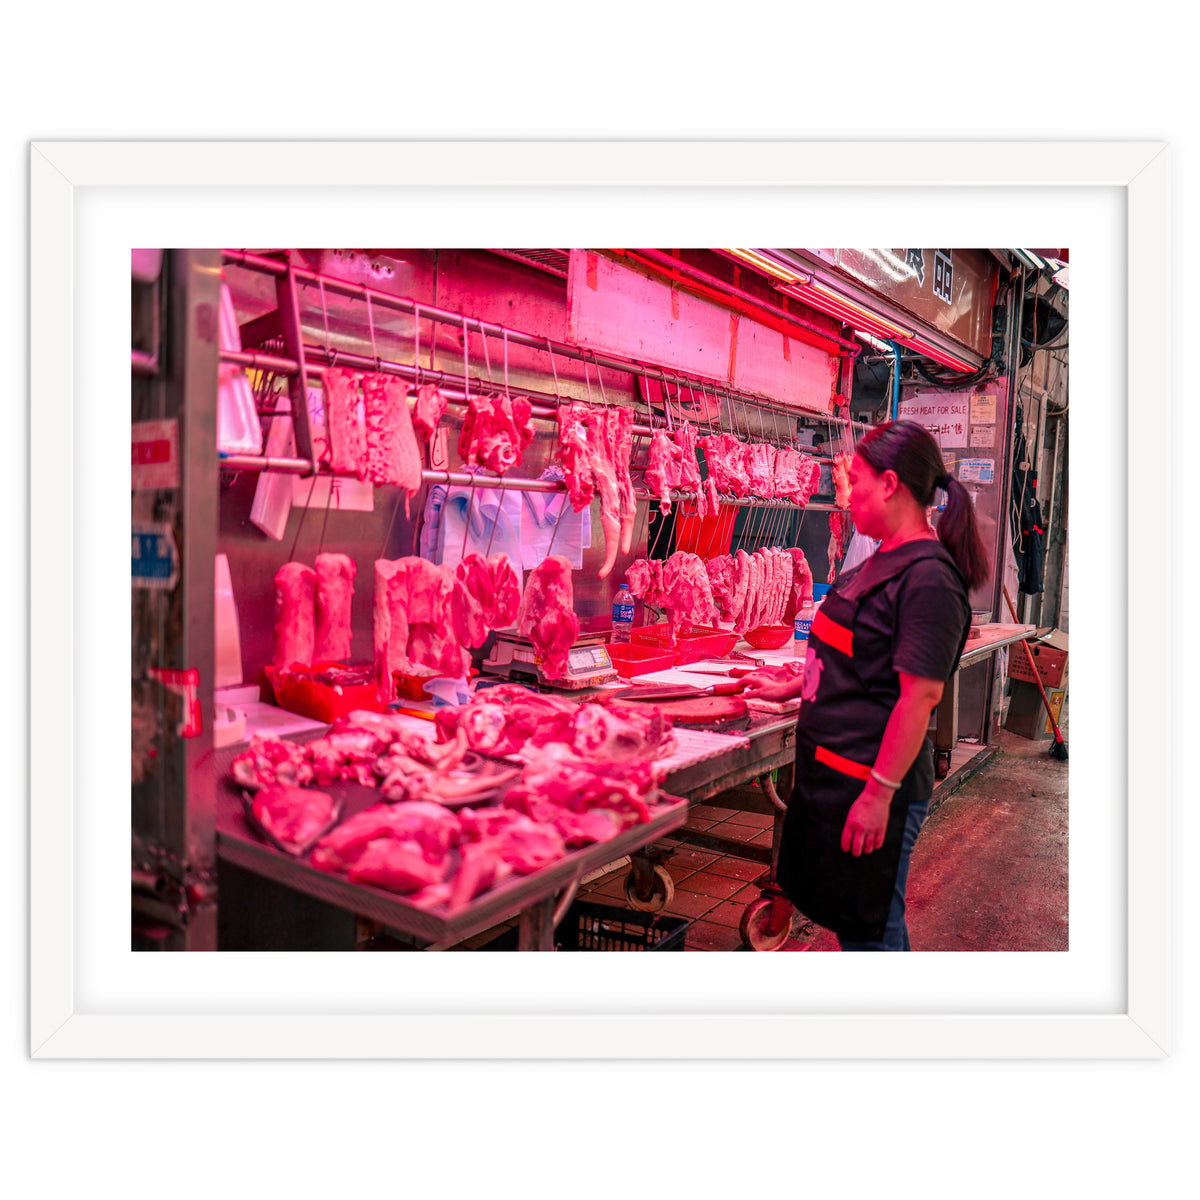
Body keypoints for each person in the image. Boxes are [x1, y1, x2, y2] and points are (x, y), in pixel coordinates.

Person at [743, 420, 989, 951]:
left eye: (855, 481)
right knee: (851, 919)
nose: (845, 493)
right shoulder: (883, 558)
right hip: (832, 777)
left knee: (871, 930)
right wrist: (796, 685)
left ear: (890, 484)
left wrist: (878, 794)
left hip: (869, 783)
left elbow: (919, 698)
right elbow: (859, 658)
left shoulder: (928, 578)